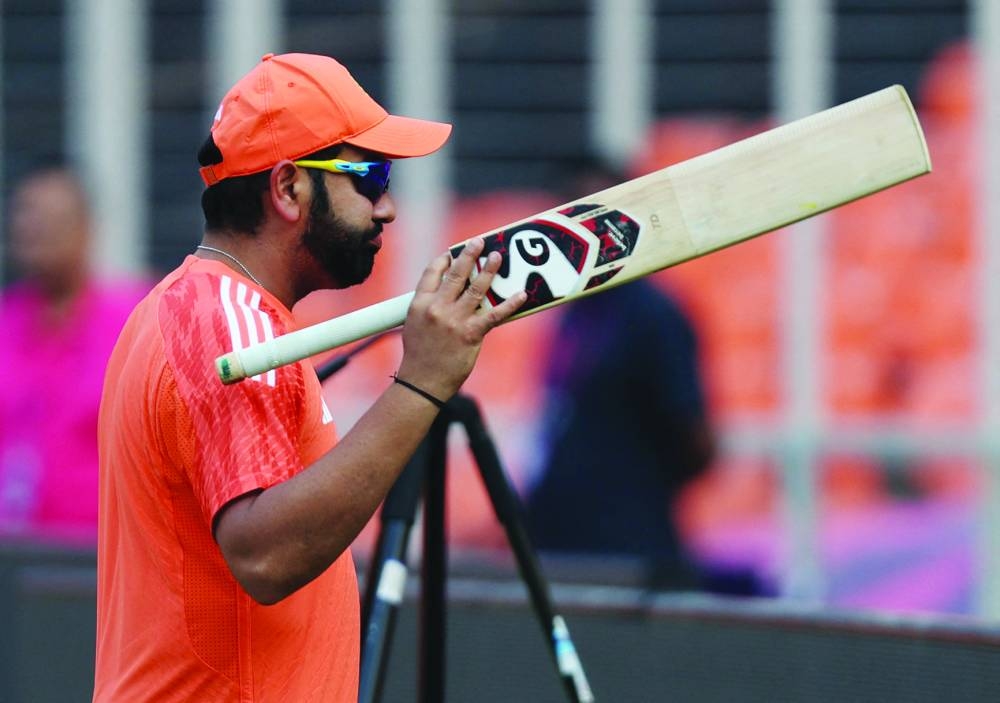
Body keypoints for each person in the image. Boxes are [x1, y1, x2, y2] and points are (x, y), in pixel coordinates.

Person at [93, 53, 526, 702]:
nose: (387, 210)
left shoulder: (197, 309)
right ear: (289, 187)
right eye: (371, 177)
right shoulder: (226, 322)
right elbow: (264, 554)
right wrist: (422, 384)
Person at [523, 161, 717, 591]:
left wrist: (628, 484)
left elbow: (696, 440)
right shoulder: (570, 313)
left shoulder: (654, 316)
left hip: (632, 553)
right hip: (561, 545)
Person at [0, 167, 147, 539]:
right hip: (12, 563)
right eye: (26, 216)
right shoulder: (5, 322)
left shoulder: (135, 322)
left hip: (101, 559)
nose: (34, 230)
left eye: (51, 220)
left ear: (85, 228)